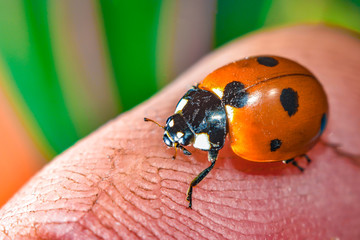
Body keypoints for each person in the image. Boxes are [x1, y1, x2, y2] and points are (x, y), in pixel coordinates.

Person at [0, 24, 359, 239]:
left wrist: (191, 183)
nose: (176, 140)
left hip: (310, 91)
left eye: (182, 133)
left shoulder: (240, 136)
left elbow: (217, 154)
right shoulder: (211, 89)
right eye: (179, 129)